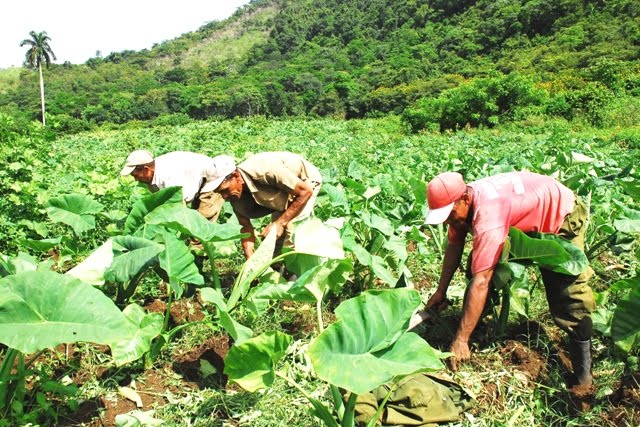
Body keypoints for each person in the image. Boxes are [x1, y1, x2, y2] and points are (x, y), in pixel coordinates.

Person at [422, 170, 595, 388]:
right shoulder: (461, 209)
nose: (447, 221)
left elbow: (482, 281)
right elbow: (455, 246)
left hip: (560, 215)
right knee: (477, 267)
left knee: (567, 294)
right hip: (522, 214)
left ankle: (583, 377)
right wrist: (441, 291)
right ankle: (480, 333)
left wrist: (460, 340)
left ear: (464, 199)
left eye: (448, 214)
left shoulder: (488, 215)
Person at [206, 151, 322, 260]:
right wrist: (249, 259)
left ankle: (296, 276)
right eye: (220, 192)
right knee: (274, 238)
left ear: (236, 176)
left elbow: (305, 192)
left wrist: (280, 222)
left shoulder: (264, 171)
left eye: (225, 190)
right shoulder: (234, 195)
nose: (224, 196)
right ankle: (276, 269)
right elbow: (245, 226)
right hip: (279, 191)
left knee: (292, 233)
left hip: (304, 182)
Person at [120, 150, 225, 222]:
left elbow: (179, 206)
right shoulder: (149, 177)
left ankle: (201, 253)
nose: (135, 179)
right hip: (195, 180)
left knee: (202, 221)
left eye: (135, 175)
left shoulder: (168, 176)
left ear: (146, 169)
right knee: (195, 218)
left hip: (211, 177)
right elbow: (162, 203)